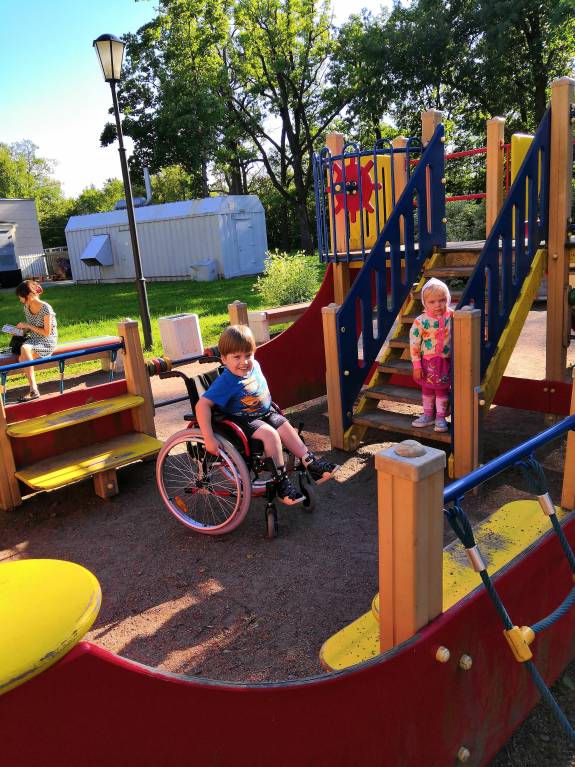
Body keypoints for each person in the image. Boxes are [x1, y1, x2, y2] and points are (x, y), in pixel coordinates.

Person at [195, 324, 339, 505]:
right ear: (224, 359)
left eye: (248, 355)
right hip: (244, 420)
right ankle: (281, 483)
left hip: (265, 412)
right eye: (237, 357)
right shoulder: (226, 381)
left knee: (284, 425)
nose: (244, 362)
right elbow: (202, 405)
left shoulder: (254, 365)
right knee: (271, 435)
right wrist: (208, 437)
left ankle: (311, 463)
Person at [409, 277, 453, 432]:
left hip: (445, 361)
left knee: (442, 389)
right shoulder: (420, 321)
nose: (438, 305)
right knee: (427, 388)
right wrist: (417, 366)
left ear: (447, 299)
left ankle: (440, 417)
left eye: (442, 300)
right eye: (432, 302)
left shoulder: (452, 316)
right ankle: (428, 415)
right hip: (427, 362)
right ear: (424, 303)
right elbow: (414, 344)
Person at [14, 280, 58, 402]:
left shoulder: (46, 308)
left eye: (20, 297)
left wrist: (27, 325)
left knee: (24, 353)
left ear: (28, 295)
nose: (20, 300)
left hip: (47, 340)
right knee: (23, 356)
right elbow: (32, 328)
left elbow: (46, 332)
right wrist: (19, 331)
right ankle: (33, 390)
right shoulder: (26, 307)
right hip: (34, 339)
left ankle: (33, 389)